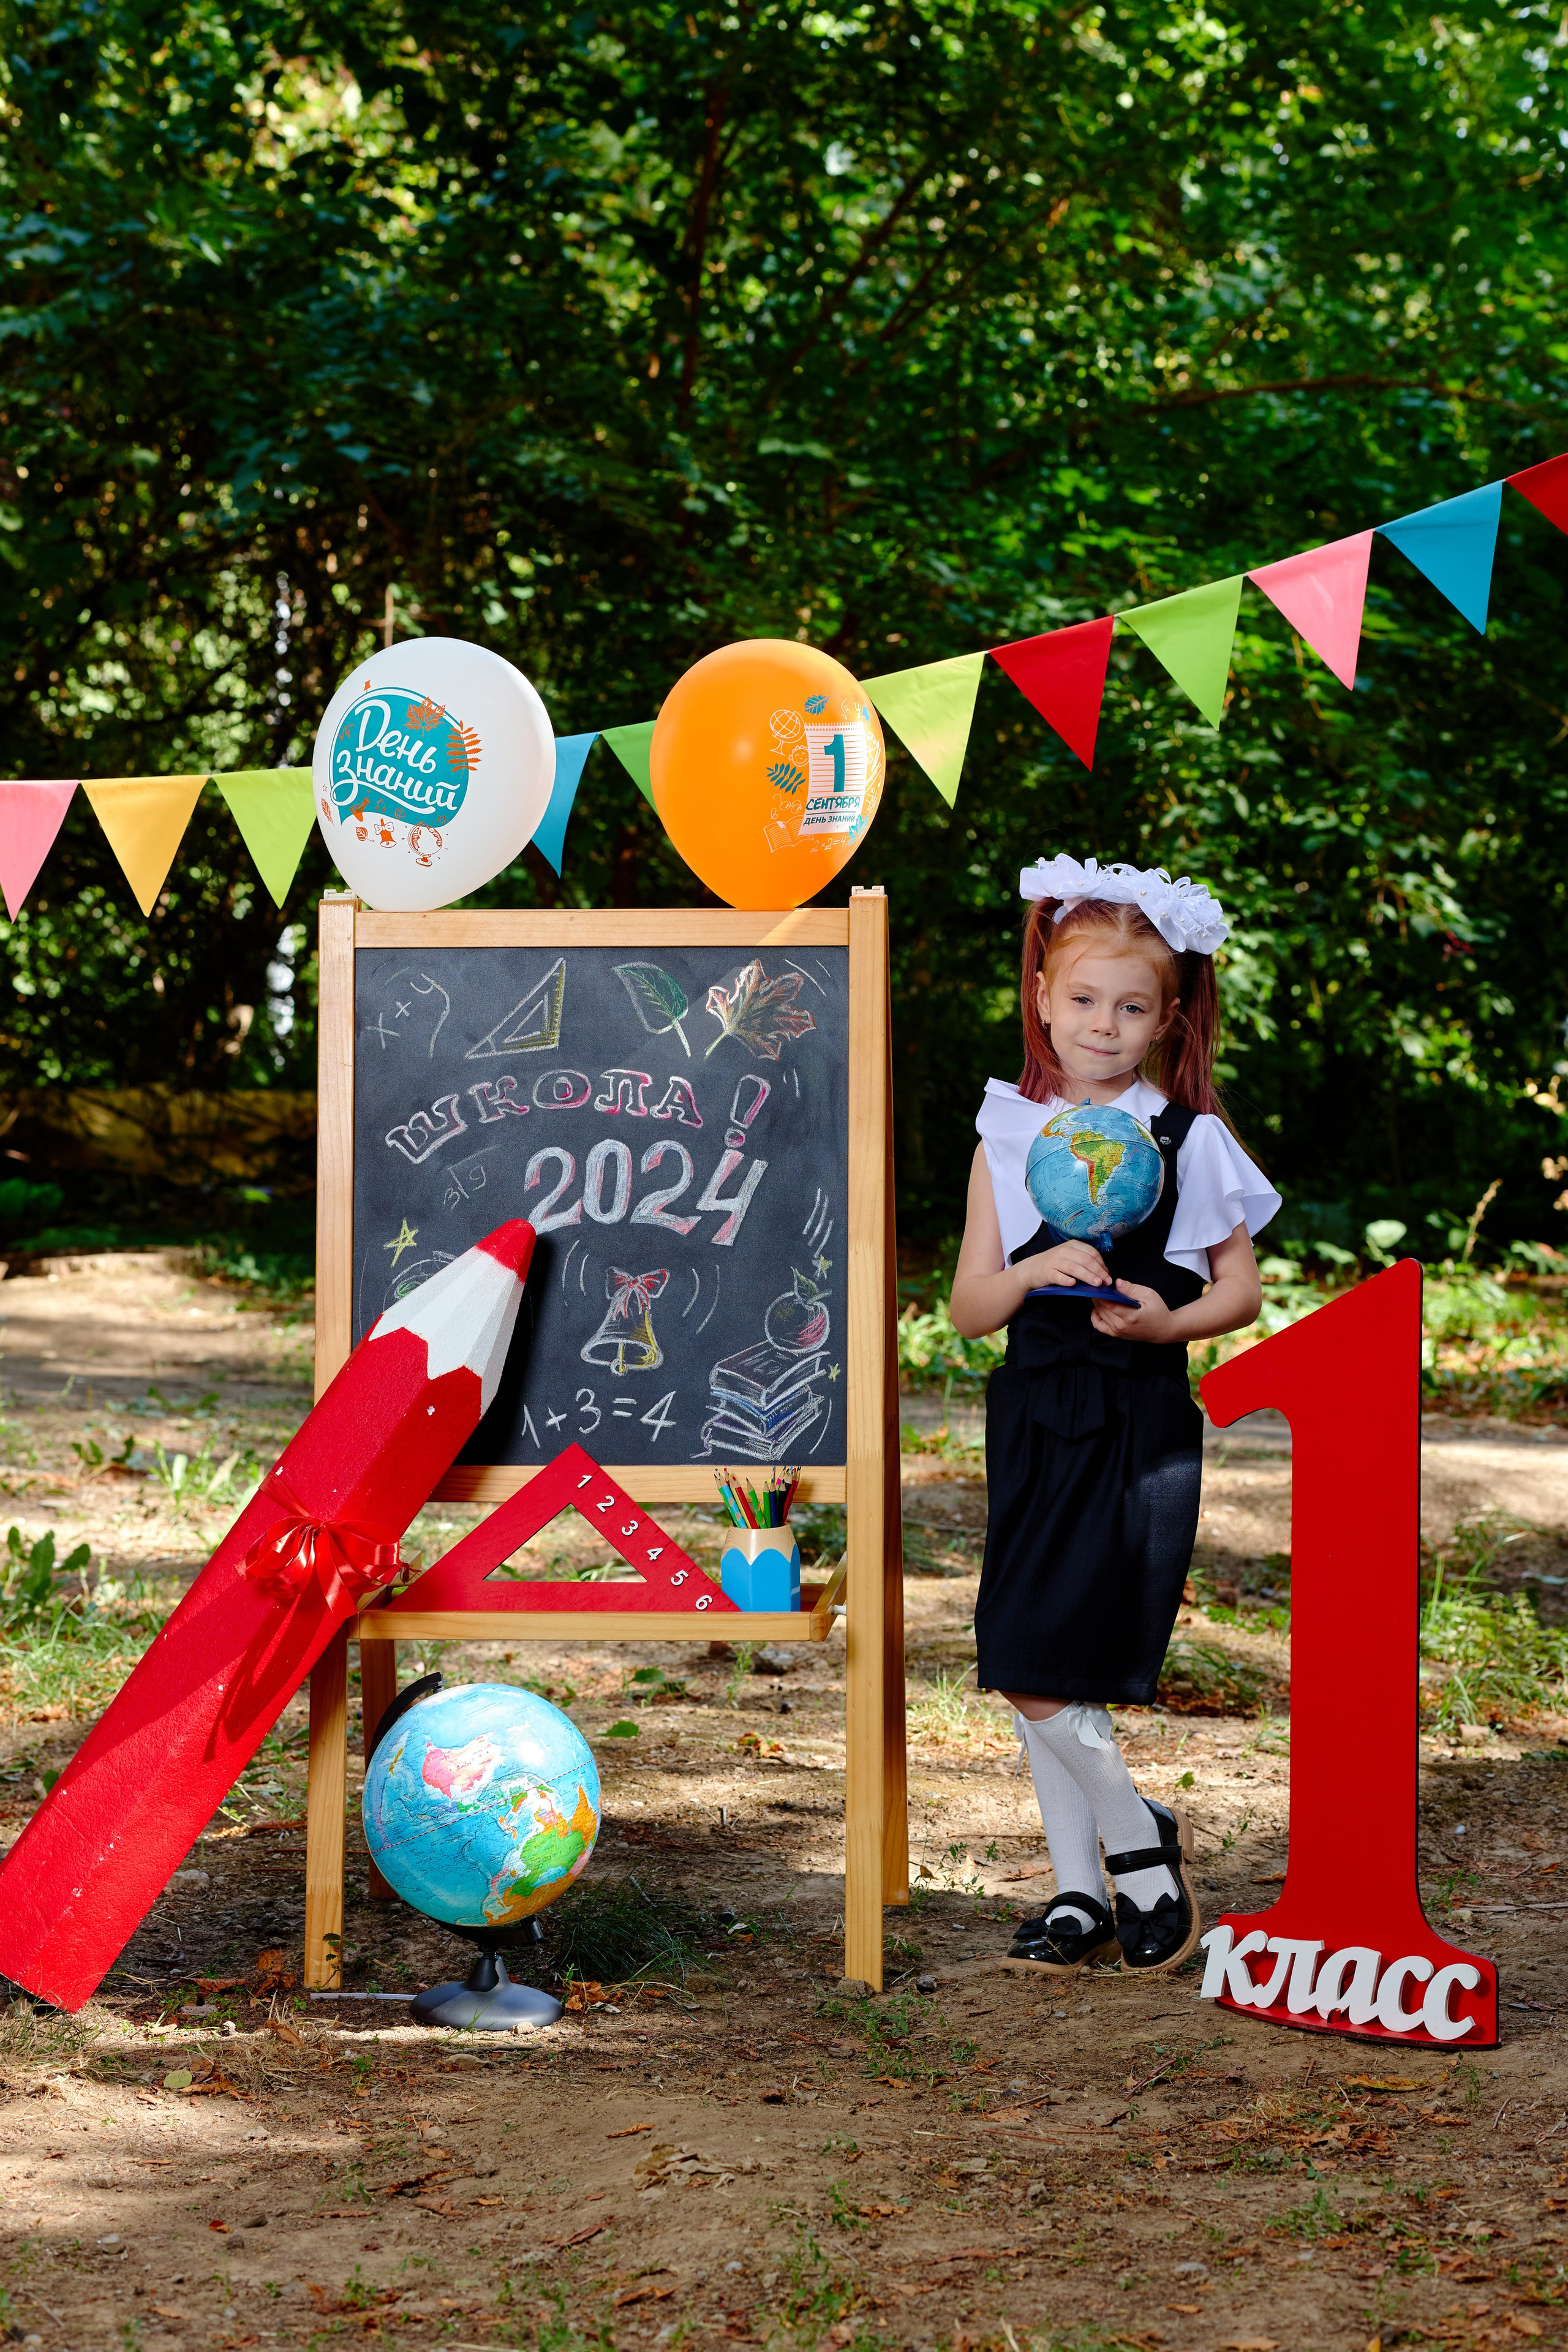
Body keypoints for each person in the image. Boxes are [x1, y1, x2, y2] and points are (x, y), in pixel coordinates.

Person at [949, 855, 1280, 1975]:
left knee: (1062, 1657)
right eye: (1084, 999)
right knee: (1022, 1649)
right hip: (1037, 1412)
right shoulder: (1011, 1135)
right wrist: (1040, 1274)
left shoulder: (1188, 1138)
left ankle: (1091, 1888)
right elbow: (968, 1308)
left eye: (1131, 1007)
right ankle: (1123, 1856)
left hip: (1136, 1420)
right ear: (1043, 996)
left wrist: (1163, 1324)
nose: (1105, 1024)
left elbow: (1240, 1292)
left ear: (1166, 1017)